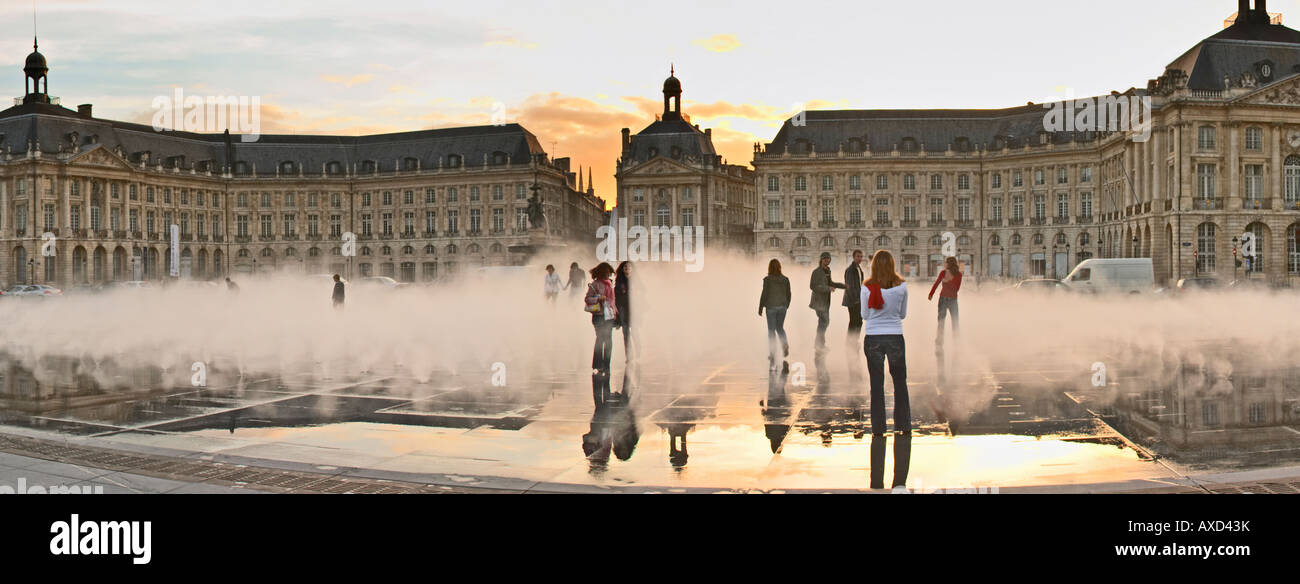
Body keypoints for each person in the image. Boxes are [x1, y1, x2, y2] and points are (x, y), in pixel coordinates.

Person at [860, 249, 910, 436]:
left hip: (873, 337)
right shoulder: (902, 287)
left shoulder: (866, 287)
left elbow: (864, 315)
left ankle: (878, 428)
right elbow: (903, 314)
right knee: (900, 382)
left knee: (876, 383)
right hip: (895, 336)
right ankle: (903, 425)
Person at [585, 262, 617, 405]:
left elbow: (613, 301)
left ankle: (606, 364)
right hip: (598, 316)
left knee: (608, 341)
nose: (608, 275)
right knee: (600, 340)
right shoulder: (594, 285)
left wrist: (615, 313)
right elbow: (587, 299)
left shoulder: (610, 284)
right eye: (607, 273)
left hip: (608, 316)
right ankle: (598, 364)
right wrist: (598, 298)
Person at [809, 251, 845, 353]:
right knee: (824, 321)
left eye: (828, 259)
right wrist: (827, 288)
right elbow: (812, 286)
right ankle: (819, 344)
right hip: (818, 302)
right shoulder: (816, 272)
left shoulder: (828, 270)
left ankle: (819, 344)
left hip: (826, 301)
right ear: (821, 260)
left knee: (823, 322)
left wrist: (843, 286)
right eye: (825, 259)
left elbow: (831, 283)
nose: (827, 260)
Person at [758, 258, 791, 368]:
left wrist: (761, 307)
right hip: (782, 306)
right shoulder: (785, 279)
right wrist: (786, 305)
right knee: (780, 328)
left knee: (771, 330)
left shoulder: (767, 280)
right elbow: (789, 293)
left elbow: (764, 294)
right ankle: (784, 345)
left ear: (770, 267)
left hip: (771, 307)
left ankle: (772, 353)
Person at [843, 249, 867, 378]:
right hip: (853, 300)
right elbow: (849, 286)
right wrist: (855, 299)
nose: (860, 258)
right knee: (854, 320)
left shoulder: (859, 269)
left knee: (858, 320)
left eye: (861, 256)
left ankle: (854, 340)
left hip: (858, 299)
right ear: (853, 257)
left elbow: (860, 284)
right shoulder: (850, 270)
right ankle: (851, 341)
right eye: (858, 256)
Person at [927, 256, 962, 342]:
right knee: (955, 320)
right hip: (953, 299)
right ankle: (956, 340)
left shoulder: (943, 272)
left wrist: (931, 294)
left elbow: (936, 283)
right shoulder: (959, 274)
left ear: (949, 263)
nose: (944, 263)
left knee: (941, 320)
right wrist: (950, 283)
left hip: (943, 299)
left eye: (945, 262)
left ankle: (939, 339)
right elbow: (957, 289)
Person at [614, 261, 634, 386]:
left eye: (629, 267)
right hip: (623, 309)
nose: (627, 269)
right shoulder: (619, 282)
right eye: (625, 267)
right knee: (626, 332)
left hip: (634, 309)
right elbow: (616, 296)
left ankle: (638, 353)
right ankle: (629, 355)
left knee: (635, 333)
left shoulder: (636, 281)